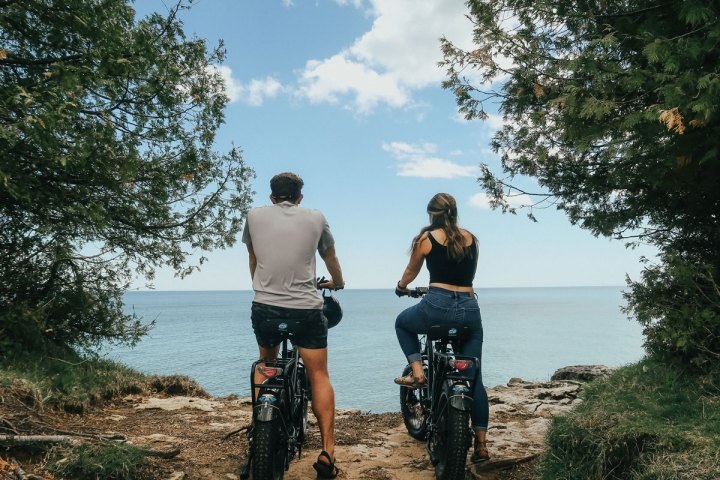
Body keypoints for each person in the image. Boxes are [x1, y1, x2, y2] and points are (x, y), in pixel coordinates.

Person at [242, 172, 344, 479]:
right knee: (318, 375)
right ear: (300, 197)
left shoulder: (254, 216)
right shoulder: (315, 218)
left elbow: (253, 258)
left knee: (267, 363)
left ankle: (262, 422)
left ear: (272, 196)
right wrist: (338, 282)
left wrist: (263, 290)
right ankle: (327, 451)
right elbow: (330, 257)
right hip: (306, 311)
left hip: (265, 308)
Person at [393, 192, 491, 463]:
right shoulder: (471, 238)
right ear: (455, 212)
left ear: (432, 214)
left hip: (437, 306)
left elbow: (411, 272)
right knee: (475, 378)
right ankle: (481, 446)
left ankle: (417, 373)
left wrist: (401, 287)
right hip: (470, 309)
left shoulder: (426, 239)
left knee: (402, 323)